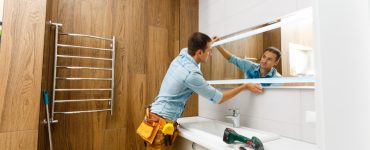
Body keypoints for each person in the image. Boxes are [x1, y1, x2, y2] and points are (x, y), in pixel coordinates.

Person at [137, 32, 263, 150]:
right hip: (161, 125)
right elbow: (220, 98)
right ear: (199, 52)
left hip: (154, 117)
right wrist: (245, 86)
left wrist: (209, 43)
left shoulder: (182, 56)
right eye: (209, 51)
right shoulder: (191, 74)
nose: (211, 54)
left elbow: (190, 49)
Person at [215, 45, 282, 86]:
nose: (264, 61)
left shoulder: (277, 79)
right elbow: (232, 58)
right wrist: (218, 46)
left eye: (269, 59)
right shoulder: (250, 67)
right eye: (264, 57)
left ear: (276, 62)